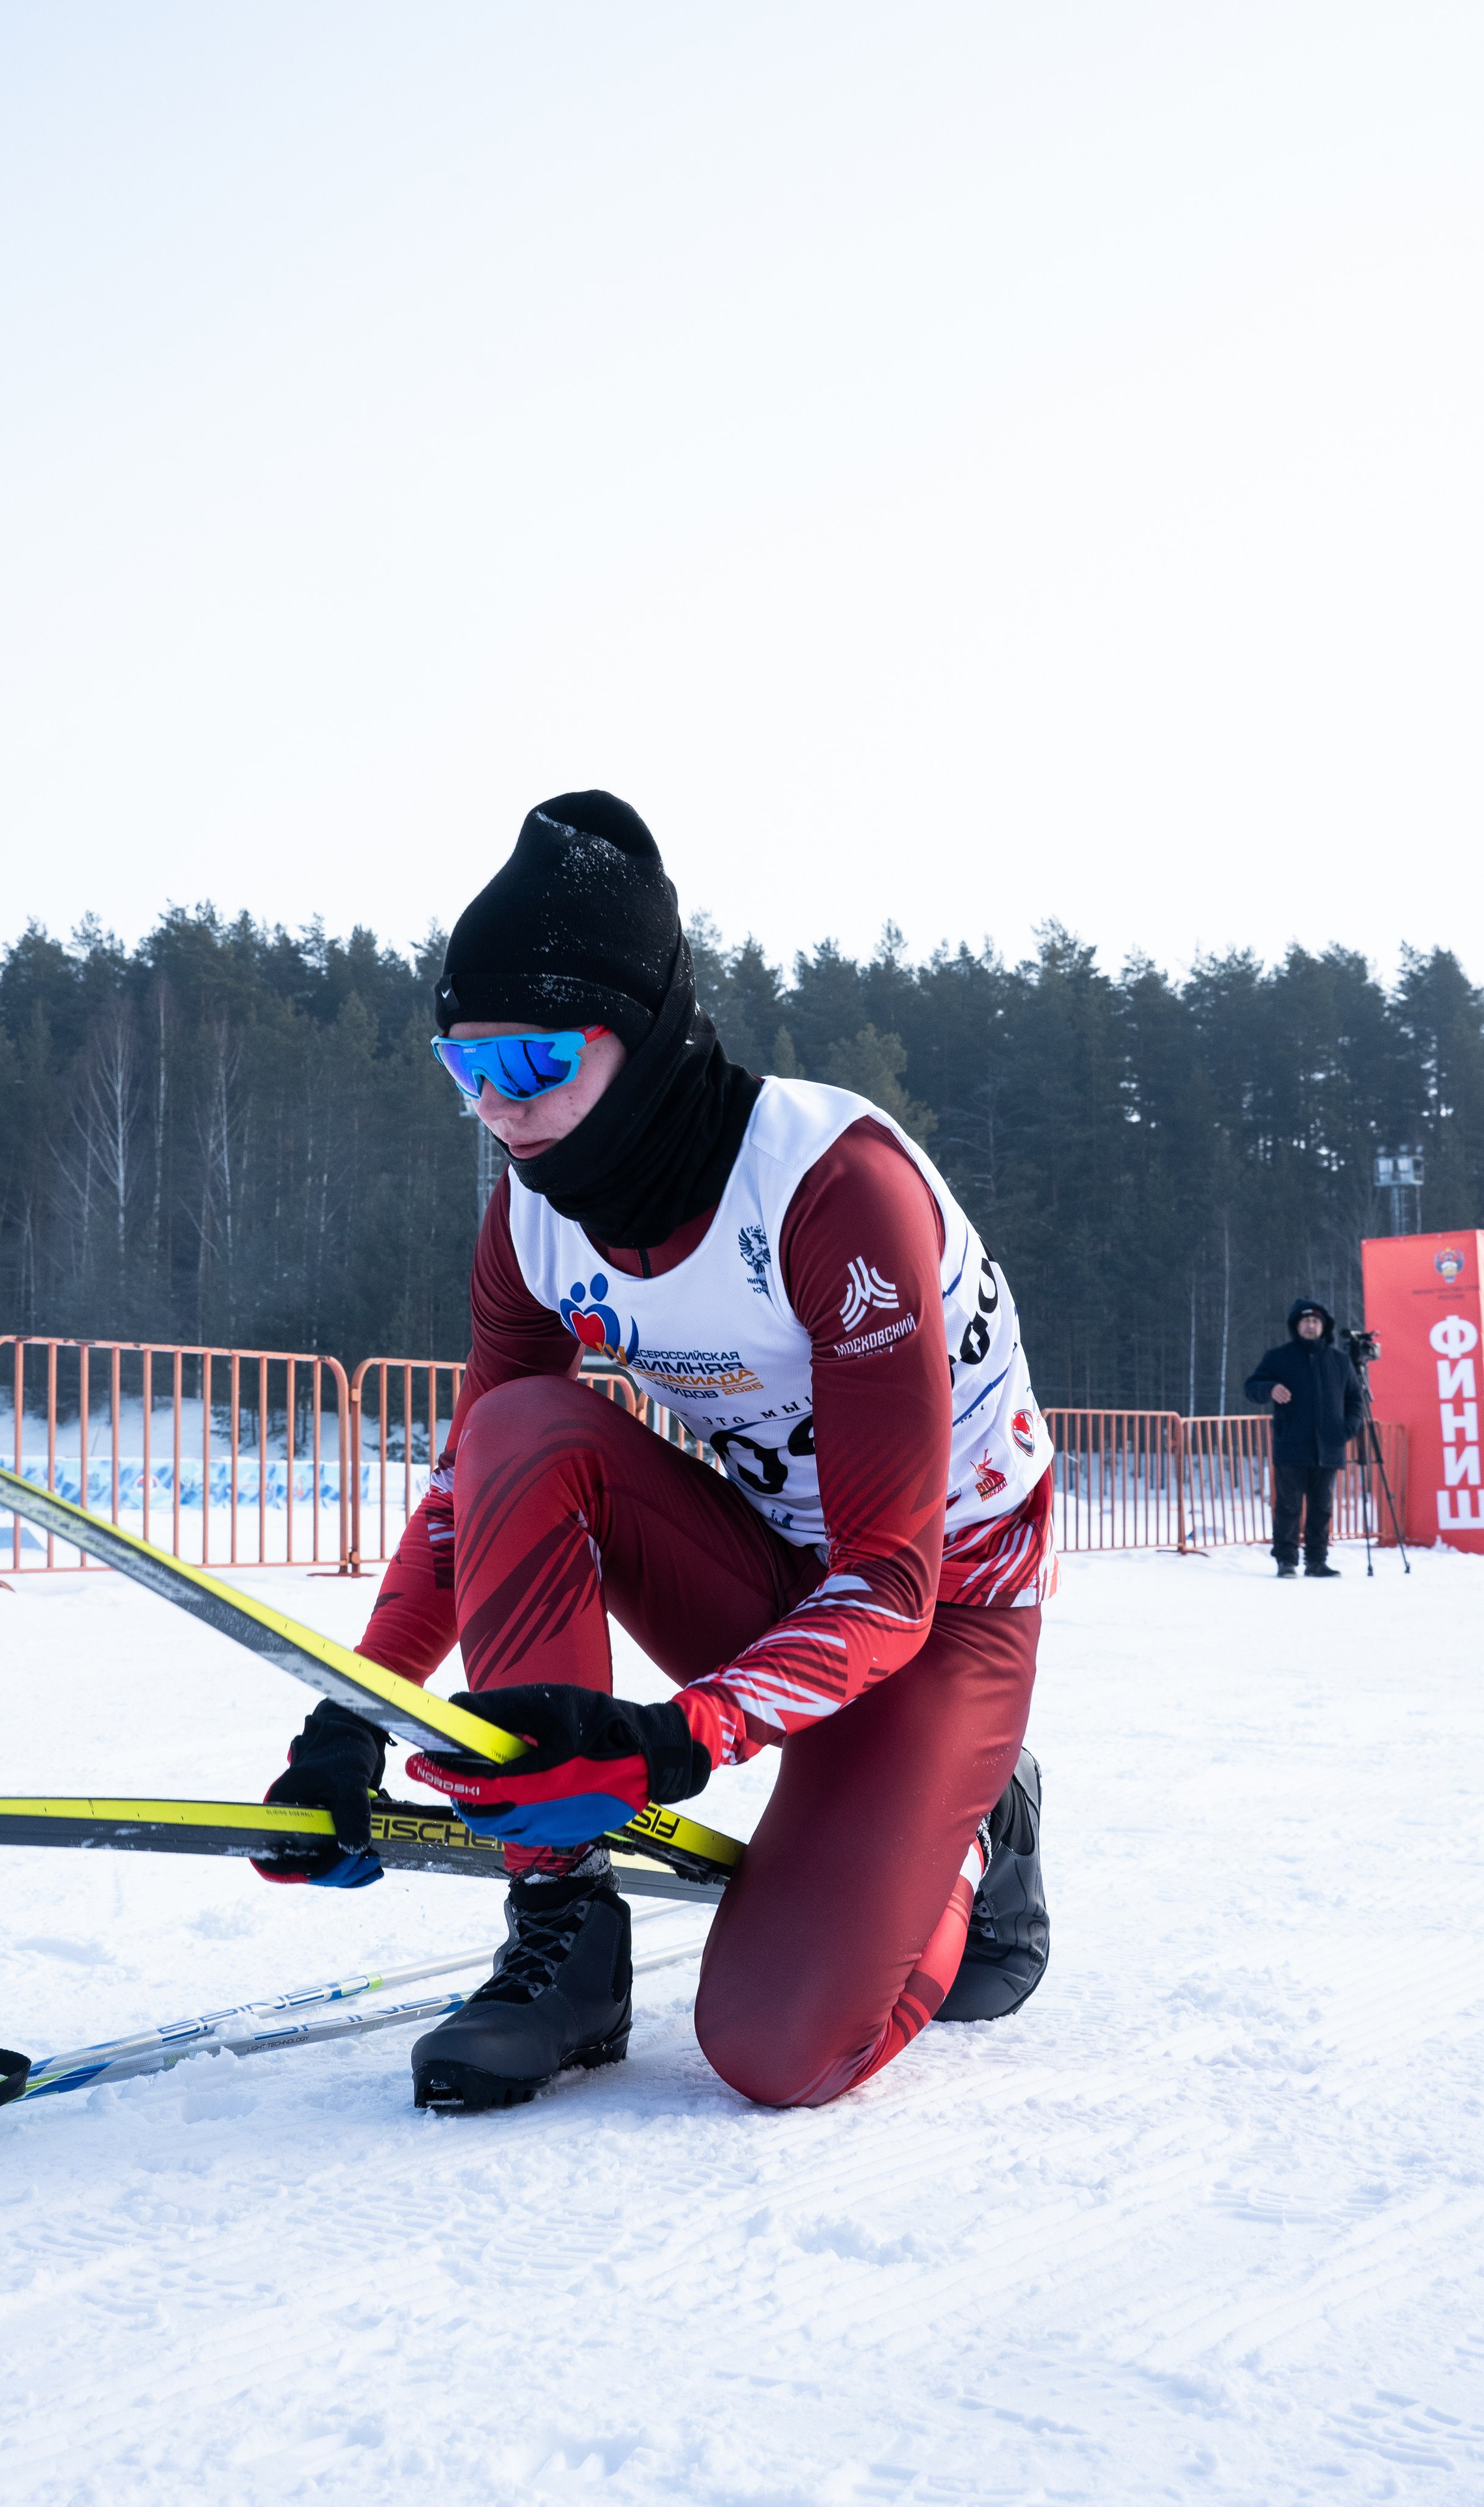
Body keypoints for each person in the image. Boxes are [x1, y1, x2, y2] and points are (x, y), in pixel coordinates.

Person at [258, 792, 1057, 2112]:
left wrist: (673, 1740)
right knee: (514, 1425)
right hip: (769, 1576)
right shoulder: (529, 1224)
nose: (495, 1113)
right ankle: (564, 1935)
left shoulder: (828, 1190)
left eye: (525, 1067)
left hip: (939, 1611)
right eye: (462, 1072)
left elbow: (891, 1582)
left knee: (776, 2053)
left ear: (635, 1036)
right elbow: (473, 1487)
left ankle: (973, 1828)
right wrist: (356, 1715)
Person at [1244, 1300, 1363, 1579]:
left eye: (1316, 1322)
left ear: (1324, 1327)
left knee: (1322, 1508)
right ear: (1296, 1326)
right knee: (1289, 1506)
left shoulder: (1339, 1361)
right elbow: (1252, 1387)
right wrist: (1270, 1388)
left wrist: (1345, 1431)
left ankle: (1317, 1561)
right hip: (1291, 1444)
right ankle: (1287, 1561)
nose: (1311, 1326)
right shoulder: (1278, 1357)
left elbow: (1355, 1400)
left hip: (1329, 1447)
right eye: (1306, 1322)